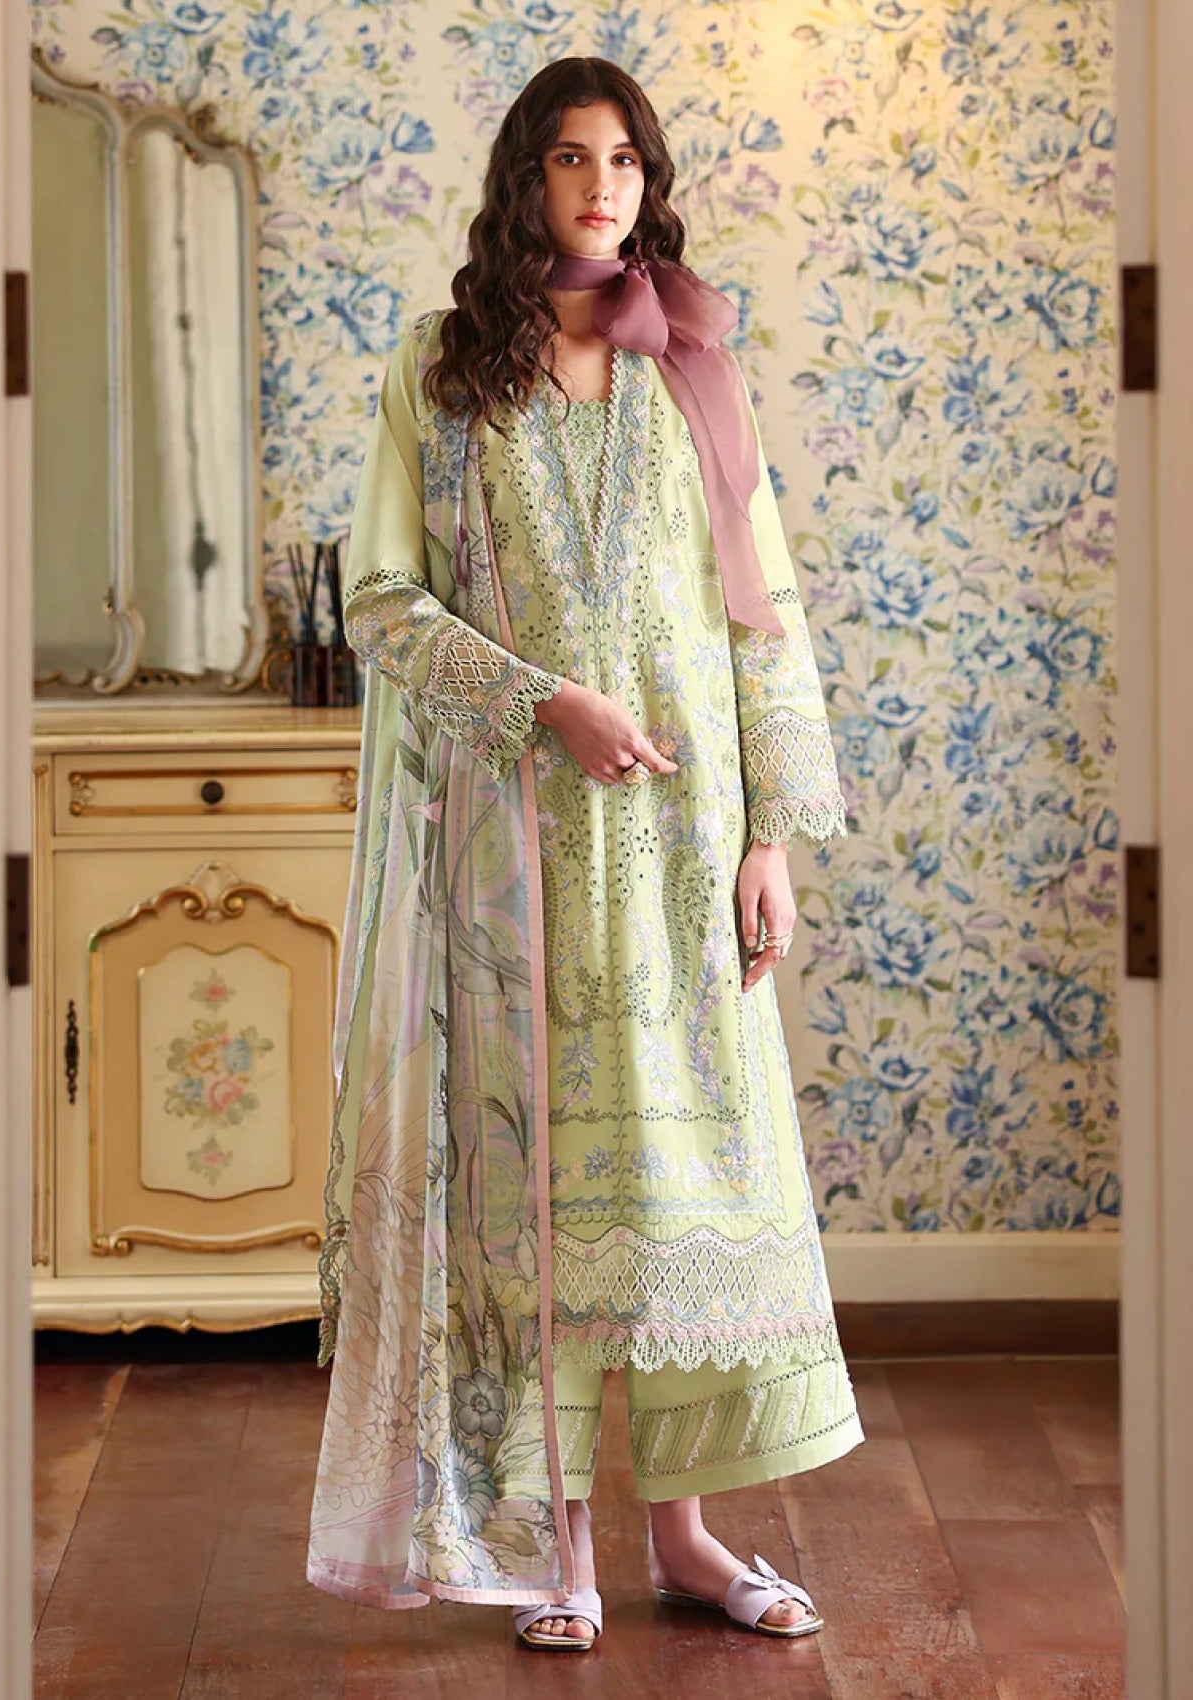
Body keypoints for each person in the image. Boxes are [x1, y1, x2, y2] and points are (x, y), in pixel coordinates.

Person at [305, 54, 864, 1651]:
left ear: (649, 181)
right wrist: (543, 701)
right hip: (517, 857)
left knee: (689, 1193)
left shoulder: (697, 366)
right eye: (569, 157)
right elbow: (382, 602)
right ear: (524, 179)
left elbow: (765, 616)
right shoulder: (442, 374)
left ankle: (686, 1539)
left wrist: (771, 840)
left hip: (687, 846)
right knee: (533, 1196)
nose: (600, 185)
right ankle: (555, 1550)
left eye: (623, 159)